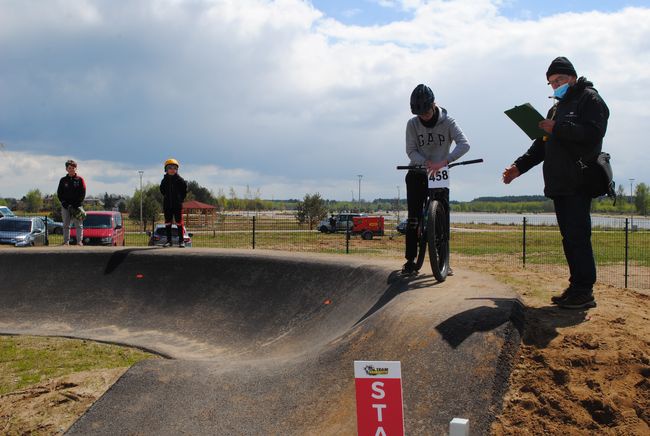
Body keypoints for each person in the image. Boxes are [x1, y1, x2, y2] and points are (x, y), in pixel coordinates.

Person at [502, 57, 609, 309]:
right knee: (569, 238)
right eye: (551, 83)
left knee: (578, 237)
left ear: (572, 77)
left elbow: (594, 134)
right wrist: (519, 167)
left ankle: (584, 291)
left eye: (559, 80)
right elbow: (541, 145)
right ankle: (576, 287)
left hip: (579, 181)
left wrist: (557, 127)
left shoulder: (590, 99)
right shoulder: (556, 107)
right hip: (560, 183)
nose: (555, 86)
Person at [402, 84, 471, 274]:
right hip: (417, 172)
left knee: (442, 218)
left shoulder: (448, 122)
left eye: (425, 112)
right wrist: (425, 162)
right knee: (413, 218)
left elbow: (464, 144)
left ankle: (444, 261)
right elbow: (410, 150)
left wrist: (444, 161)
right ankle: (410, 260)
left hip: (440, 173)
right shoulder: (412, 124)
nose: (423, 117)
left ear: (434, 105)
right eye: (419, 114)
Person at [57, 159, 86, 246]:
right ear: (66, 169)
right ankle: (66, 242)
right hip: (66, 206)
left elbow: (83, 192)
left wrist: (77, 203)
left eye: (73, 168)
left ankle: (79, 242)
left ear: (76, 169)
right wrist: (64, 203)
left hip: (77, 206)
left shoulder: (80, 179)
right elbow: (59, 193)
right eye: (69, 168)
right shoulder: (63, 180)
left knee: (79, 225)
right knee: (66, 225)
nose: (71, 169)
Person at [159, 158, 188, 247]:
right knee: (168, 223)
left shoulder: (180, 180)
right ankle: (169, 241)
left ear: (177, 169)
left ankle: (181, 241)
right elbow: (162, 190)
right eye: (170, 168)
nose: (172, 170)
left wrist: (180, 199)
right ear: (166, 169)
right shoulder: (164, 180)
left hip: (177, 205)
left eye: (175, 168)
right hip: (167, 205)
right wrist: (167, 198)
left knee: (179, 223)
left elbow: (184, 191)